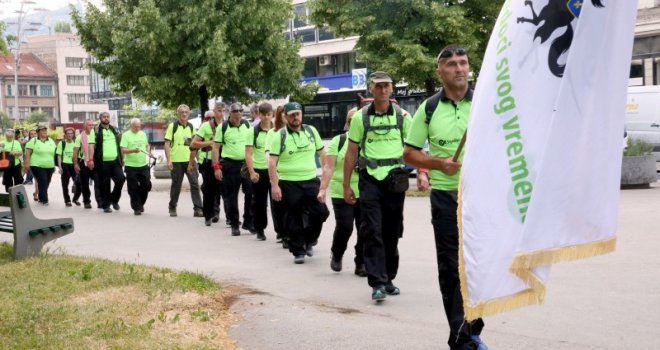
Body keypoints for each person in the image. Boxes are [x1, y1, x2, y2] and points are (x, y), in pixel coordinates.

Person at [403, 45, 486, 350]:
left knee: (481, 266)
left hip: (482, 197)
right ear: (439, 71)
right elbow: (409, 153)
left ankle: (472, 327)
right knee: (451, 268)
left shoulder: (487, 103)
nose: (459, 68)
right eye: (451, 64)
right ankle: (462, 337)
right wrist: (439, 164)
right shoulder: (428, 108)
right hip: (445, 198)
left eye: (463, 62)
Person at [343, 71, 412, 301]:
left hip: (395, 182)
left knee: (392, 231)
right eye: (378, 86)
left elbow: (414, 148)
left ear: (392, 89)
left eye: (387, 86)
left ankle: (389, 278)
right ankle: (377, 283)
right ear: (371, 89)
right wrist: (346, 185)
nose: (383, 90)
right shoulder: (361, 119)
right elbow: (351, 152)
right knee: (372, 230)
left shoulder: (403, 117)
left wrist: (423, 173)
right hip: (370, 180)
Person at [268, 101, 328, 264]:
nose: (296, 117)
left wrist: (325, 175)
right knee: (292, 217)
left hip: (310, 180)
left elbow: (322, 154)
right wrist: (275, 185)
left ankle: (309, 239)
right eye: (292, 115)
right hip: (288, 182)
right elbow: (272, 162)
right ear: (286, 117)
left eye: (298, 114)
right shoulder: (280, 135)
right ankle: (298, 251)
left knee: (321, 213)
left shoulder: (311, 131)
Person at [318, 107, 366, 276]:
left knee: (365, 229)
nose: (356, 124)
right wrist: (323, 189)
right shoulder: (339, 141)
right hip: (341, 190)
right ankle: (337, 253)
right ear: (348, 123)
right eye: (352, 121)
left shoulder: (368, 141)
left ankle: (361, 262)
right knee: (345, 226)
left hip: (365, 191)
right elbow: (329, 166)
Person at [212, 103, 254, 236]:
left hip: (245, 164)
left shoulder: (247, 125)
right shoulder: (223, 127)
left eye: (240, 116)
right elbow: (215, 148)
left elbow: (252, 146)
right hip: (230, 165)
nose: (238, 119)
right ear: (230, 114)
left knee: (250, 193)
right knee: (231, 196)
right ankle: (235, 224)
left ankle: (248, 221)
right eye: (235, 116)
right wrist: (216, 168)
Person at [164, 104, 203, 217]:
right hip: (176, 161)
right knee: (176, 185)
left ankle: (198, 209)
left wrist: (197, 159)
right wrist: (169, 160)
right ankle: (172, 206)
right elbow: (166, 144)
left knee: (195, 184)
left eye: (186, 112)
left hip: (189, 160)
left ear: (189, 113)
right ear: (178, 114)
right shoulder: (172, 126)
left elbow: (194, 145)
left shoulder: (191, 127)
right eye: (181, 112)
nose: (184, 114)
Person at [245, 102, 274, 241]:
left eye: (269, 115)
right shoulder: (253, 131)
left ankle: (281, 231)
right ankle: (260, 229)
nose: (267, 118)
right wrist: (251, 172)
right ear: (259, 115)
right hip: (259, 171)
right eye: (264, 115)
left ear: (272, 114)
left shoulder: (278, 130)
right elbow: (248, 153)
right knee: (260, 203)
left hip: (275, 171)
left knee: (278, 202)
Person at [191, 106, 224, 226]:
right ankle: (208, 215)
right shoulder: (206, 126)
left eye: (224, 111)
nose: (222, 113)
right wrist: (211, 142)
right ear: (215, 113)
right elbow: (194, 143)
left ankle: (216, 212)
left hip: (223, 160)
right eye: (219, 111)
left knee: (219, 188)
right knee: (209, 188)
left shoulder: (226, 126)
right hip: (207, 161)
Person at [88, 111, 125, 213]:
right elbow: (91, 146)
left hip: (115, 161)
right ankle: (106, 205)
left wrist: (123, 158)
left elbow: (120, 145)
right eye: (104, 117)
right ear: (100, 118)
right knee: (105, 184)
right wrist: (90, 159)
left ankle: (114, 199)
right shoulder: (95, 130)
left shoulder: (115, 130)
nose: (106, 118)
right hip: (102, 162)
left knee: (121, 179)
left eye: (107, 117)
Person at [121, 118, 152, 215]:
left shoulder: (142, 134)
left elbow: (147, 145)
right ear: (131, 126)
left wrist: (148, 152)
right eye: (136, 127)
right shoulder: (126, 135)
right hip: (131, 166)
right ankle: (136, 207)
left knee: (146, 185)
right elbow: (123, 150)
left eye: (139, 126)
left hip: (143, 164)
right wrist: (133, 150)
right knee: (133, 187)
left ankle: (140, 203)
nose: (138, 128)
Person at [24, 125, 56, 205]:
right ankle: (45, 200)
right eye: (42, 130)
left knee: (47, 182)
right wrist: (27, 163)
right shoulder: (33, 141)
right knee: (43, 181)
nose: (44, 131)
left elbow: (55, 153)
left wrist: (55, 164)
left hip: (50, 165)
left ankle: (41, 197)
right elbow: (27, 153)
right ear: (38, 132)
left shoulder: (51, 140)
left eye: (45, 130)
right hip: (36, 165)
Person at [73, 120, 97, 209]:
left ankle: (100, 201)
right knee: (85, 183)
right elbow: (75, 151)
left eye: (92, 125)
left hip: (96, 162)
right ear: (84, 126)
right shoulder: (80, 137)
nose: (91, 126)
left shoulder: (95, 135)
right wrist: (75, 164)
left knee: (98, 182)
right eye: (89, 125)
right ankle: (86, 201)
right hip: (84, 162)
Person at [56, 127, 76, 206]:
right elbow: (59, 156)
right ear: (65, 135)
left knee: (77, 182)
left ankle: (75, 198)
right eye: (68, 134)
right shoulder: (62, 143)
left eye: (71, 133)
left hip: (74, 165)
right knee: (65, 184)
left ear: (73, 134)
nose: (70, 135)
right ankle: (67, 200)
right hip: (65, 164)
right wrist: (60, 167)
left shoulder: (76, 143)